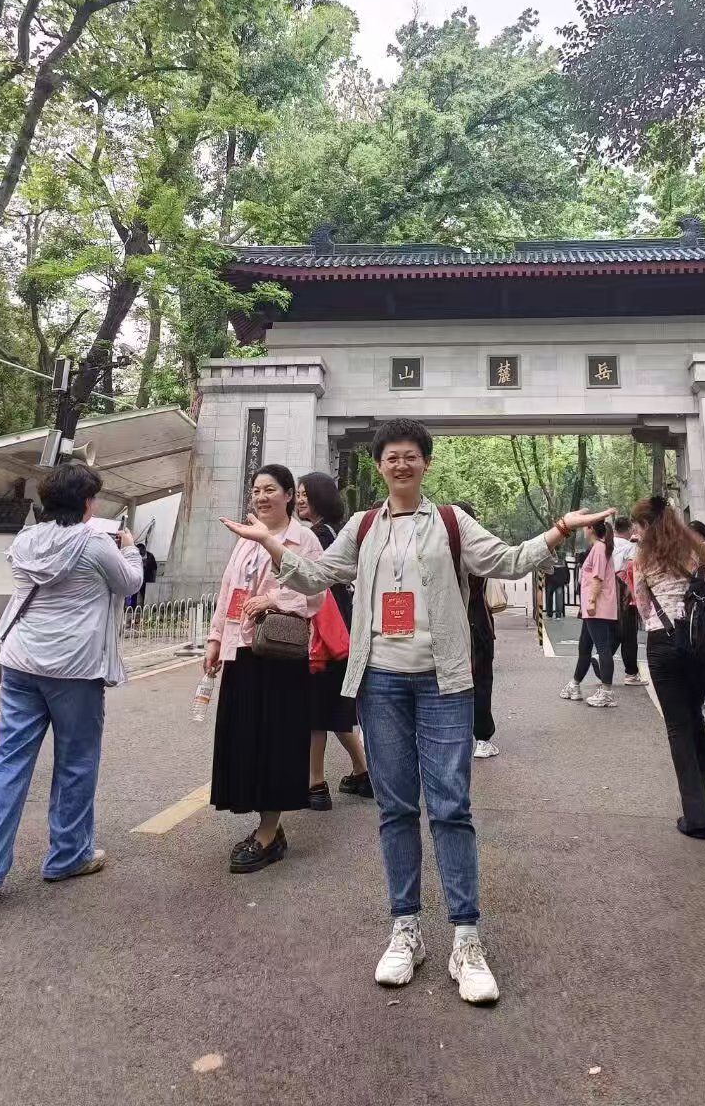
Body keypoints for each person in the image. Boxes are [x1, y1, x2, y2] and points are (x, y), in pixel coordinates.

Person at [219, 418, 612, 1006]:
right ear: (380, 465)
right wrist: (272, 543)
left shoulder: (451, 522)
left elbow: (507, 561)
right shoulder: (362, 526)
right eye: (391, 456)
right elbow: (318, 576)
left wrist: (559, 530)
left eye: (411, 455)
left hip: (442, 682)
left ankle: (466, 938)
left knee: (451, 807)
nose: (401, 464)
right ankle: (406, 929)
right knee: (396, 808)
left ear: (425, 463)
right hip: (380, 682)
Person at [0, 463, 143, 906]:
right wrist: (131, 549)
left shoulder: (25, 540)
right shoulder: (95, 544)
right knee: (76, 762)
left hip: (22, 661)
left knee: (8, 762)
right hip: (75, 668)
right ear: (87, 503)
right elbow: (130, 582)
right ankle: (68, 855)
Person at [204, 464, 324, 874]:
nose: (261, 497)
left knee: (276, 740)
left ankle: (270, 832)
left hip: (280, 654)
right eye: (256, 490)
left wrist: (274, 600)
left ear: (289, 495)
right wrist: (215, 639)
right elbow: (228, 592)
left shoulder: (304, 540)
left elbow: (316, 593)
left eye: (270, 489)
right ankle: (264, 824)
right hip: (242, 650)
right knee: (245, 738)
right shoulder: (245, 538)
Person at [630, 495, 705, 840]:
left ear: (646, 525)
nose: (636, 532)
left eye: (638, 526)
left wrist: (659, 618)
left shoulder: (642, 557)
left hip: (663, 643)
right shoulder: (702, 549)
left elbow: (642, 603)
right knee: (694, 715)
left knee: (678, 725)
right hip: (702, 644)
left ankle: (696, 815)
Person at [296, 471, 372, 807]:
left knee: (316, 710)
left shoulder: (317, 536)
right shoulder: (336, 533)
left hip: (323, 635)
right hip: (341, 632)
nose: (299, 499)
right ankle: (362, 772)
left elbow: (310, 585)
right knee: (335, 708)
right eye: (298, 494)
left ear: (320, 497)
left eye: (305, 493)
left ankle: (315, 784)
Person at [454, 502, 499, 760]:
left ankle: (454, 735)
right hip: (478, 621)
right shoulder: (479, 548)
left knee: (450, 681)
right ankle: (482, 738)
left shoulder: (443, 549)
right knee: (481, 680)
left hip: (450, 622)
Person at [560, 521, 621, 707]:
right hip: (592, 608)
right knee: (584, 647)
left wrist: (592, 601)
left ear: (591, 529)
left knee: (603, 649)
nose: (583, 529)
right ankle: (574, 684)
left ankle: (607, 692)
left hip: (597, 607)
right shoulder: (599, 548)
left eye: (585, 526)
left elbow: (597, 578)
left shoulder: (599, 548)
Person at [612, 516, 644, 685]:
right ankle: (631, 673)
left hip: (609, 595)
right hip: (627, 596)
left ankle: (602, 658)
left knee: (616, 631)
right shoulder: (632, 548)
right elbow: (634, 571)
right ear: (630, 529)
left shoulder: (605, 545)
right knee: (629, 635)